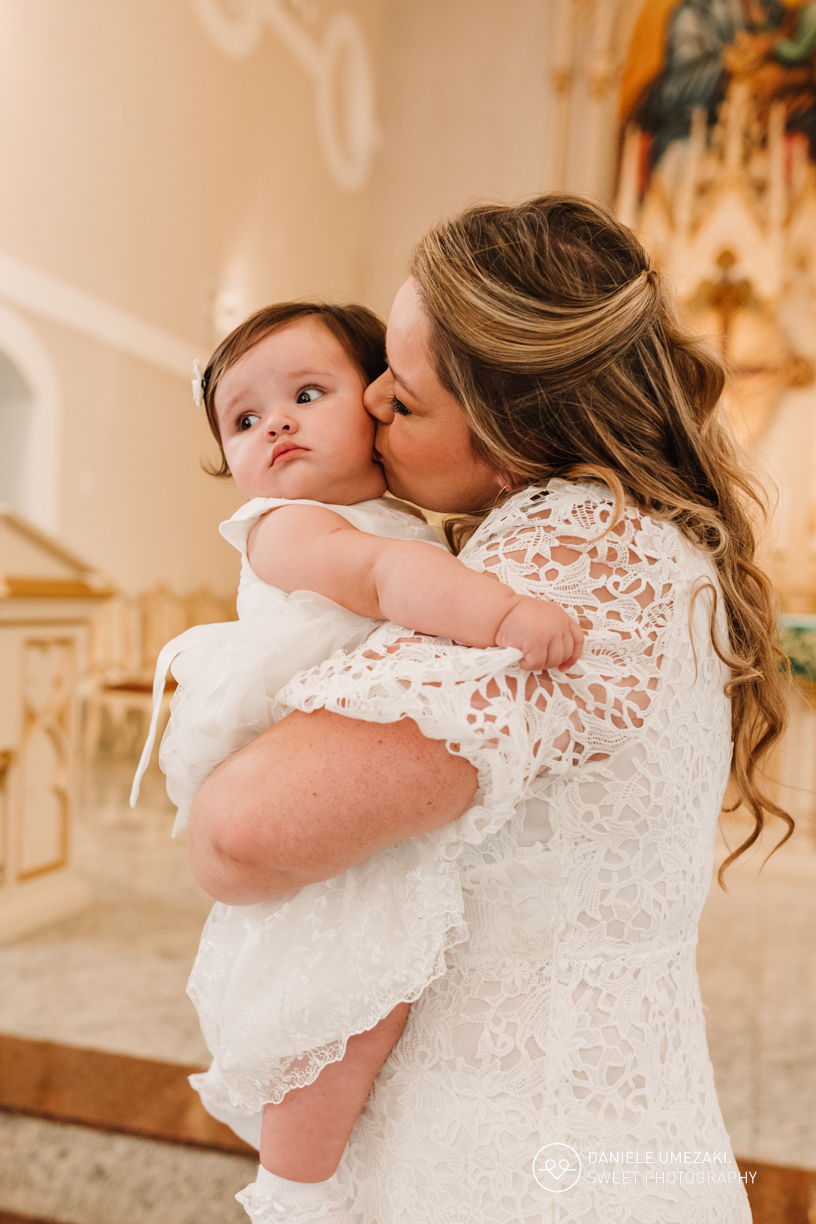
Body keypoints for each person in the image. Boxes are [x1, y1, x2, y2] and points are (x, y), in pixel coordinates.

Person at [187, 195, 790, 1223]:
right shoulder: (628, 538)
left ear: (519, 431)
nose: (373, 399)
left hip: (516, 1149)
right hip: (597, 1108)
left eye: (404, 391)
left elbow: (239, 834)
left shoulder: (573, 551)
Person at [130, 300, 583, 1224]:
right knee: (331, 1009)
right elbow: (383, 580)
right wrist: (501, 614)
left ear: (378, 403)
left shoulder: (399, 516)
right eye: (245, 420)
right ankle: (294, 1193)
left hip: (364, 789)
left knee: (379, 996)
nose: (277, 425)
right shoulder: (285, 525)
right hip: (305, 777)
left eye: (307, 394)